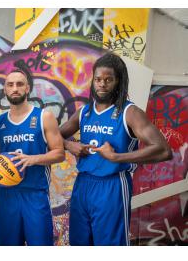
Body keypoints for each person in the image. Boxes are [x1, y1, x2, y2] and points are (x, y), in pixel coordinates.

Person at [60, 53, 173, 246]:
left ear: (118, 81)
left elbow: (163, 150)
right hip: (83, 184)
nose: (102, 84)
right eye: (98, 79)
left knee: (110, 246)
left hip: (112, 186)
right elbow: (53, 136)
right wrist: (70, 145)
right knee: (79, 243)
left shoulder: (130, 113)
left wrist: (116, 156)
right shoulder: (84, 112)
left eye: (108, 80)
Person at [0, 67, 65, 246]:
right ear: (5, 90)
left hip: (35, 195)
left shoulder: (44, 117)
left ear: (27, 88)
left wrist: (32, 159)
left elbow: (59, 153)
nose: (15, 88)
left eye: (20, 84)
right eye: (10, 85)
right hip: (7, 195)